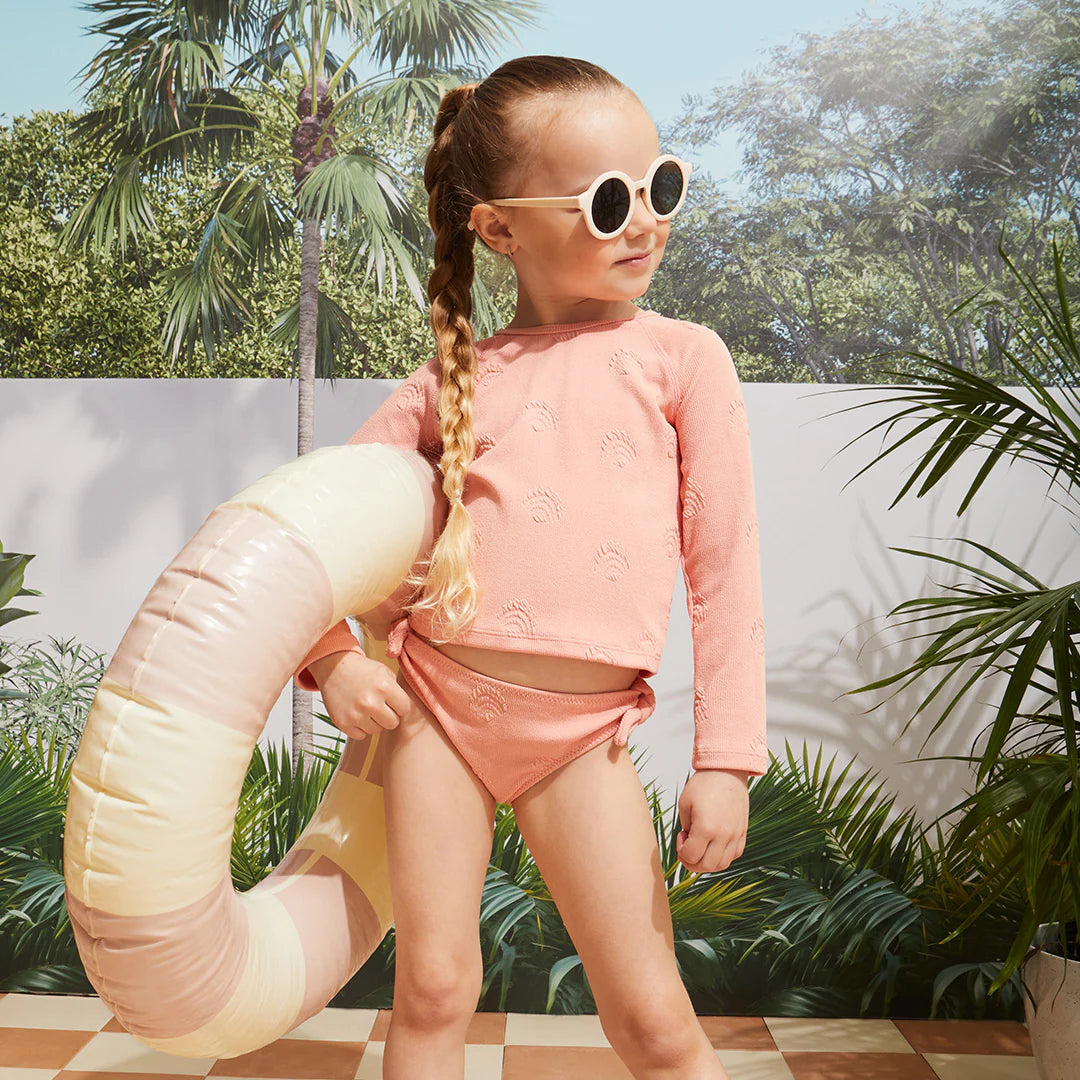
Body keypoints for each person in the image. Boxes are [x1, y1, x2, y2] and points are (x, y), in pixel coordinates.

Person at [293, 54, 768, 1080]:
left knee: (650, 1017)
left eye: (661, 187)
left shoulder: (684, 359)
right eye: (606, 201)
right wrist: (334, 660)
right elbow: (304, 531)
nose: (643, 220)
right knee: (430, 990)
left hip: (581, 735)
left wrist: (725, 762)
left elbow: (724, 573)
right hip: (438, 715)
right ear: (499, 226)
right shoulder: (451, 381)